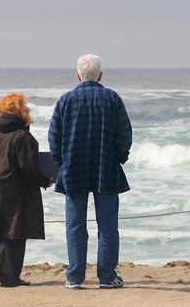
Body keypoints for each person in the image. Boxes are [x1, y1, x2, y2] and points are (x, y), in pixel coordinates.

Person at [49, 54, 132, 290]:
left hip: (74, 169)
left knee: (75, 226)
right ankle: (106, 277)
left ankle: (75, 278)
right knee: (107, 226)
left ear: (78, 75)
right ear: (100, 75)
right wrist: (118, 159)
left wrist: (61, 162)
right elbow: (125, 135)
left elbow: (54, 138)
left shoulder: (66, 100)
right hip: (106, 169)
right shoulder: (112, 99)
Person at [0, 93, 52, 287]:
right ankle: (9, 277)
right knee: (13, 230)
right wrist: (45, 181)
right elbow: (28, 168)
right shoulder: (22, 136)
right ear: (22, 111)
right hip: (14, 189)